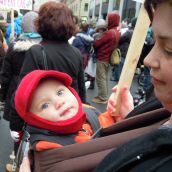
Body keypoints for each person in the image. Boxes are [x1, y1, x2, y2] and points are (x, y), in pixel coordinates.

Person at [94, 0, 172, 171]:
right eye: (155, 43)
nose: (148, 59)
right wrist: (132, 118)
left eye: (169, 49)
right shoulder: (160, 108)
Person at [15, 70, 130, 152]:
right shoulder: (49, 146)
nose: (59, 102)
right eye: (45, 105)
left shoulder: (87, 110)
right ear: (35, 120)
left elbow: (104, 122)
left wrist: (117, 117)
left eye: (60, 92)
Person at [92, 12, 120, 104]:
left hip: (103, 57)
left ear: (112, 20)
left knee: (101, 78)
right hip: (108, 57)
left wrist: (97, 39)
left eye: (108, 19)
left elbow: (97, 43)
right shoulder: (116, 31)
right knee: (104, 78)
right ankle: (103, 95)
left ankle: (102, 98)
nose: (107, 21)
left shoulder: (109, 33)